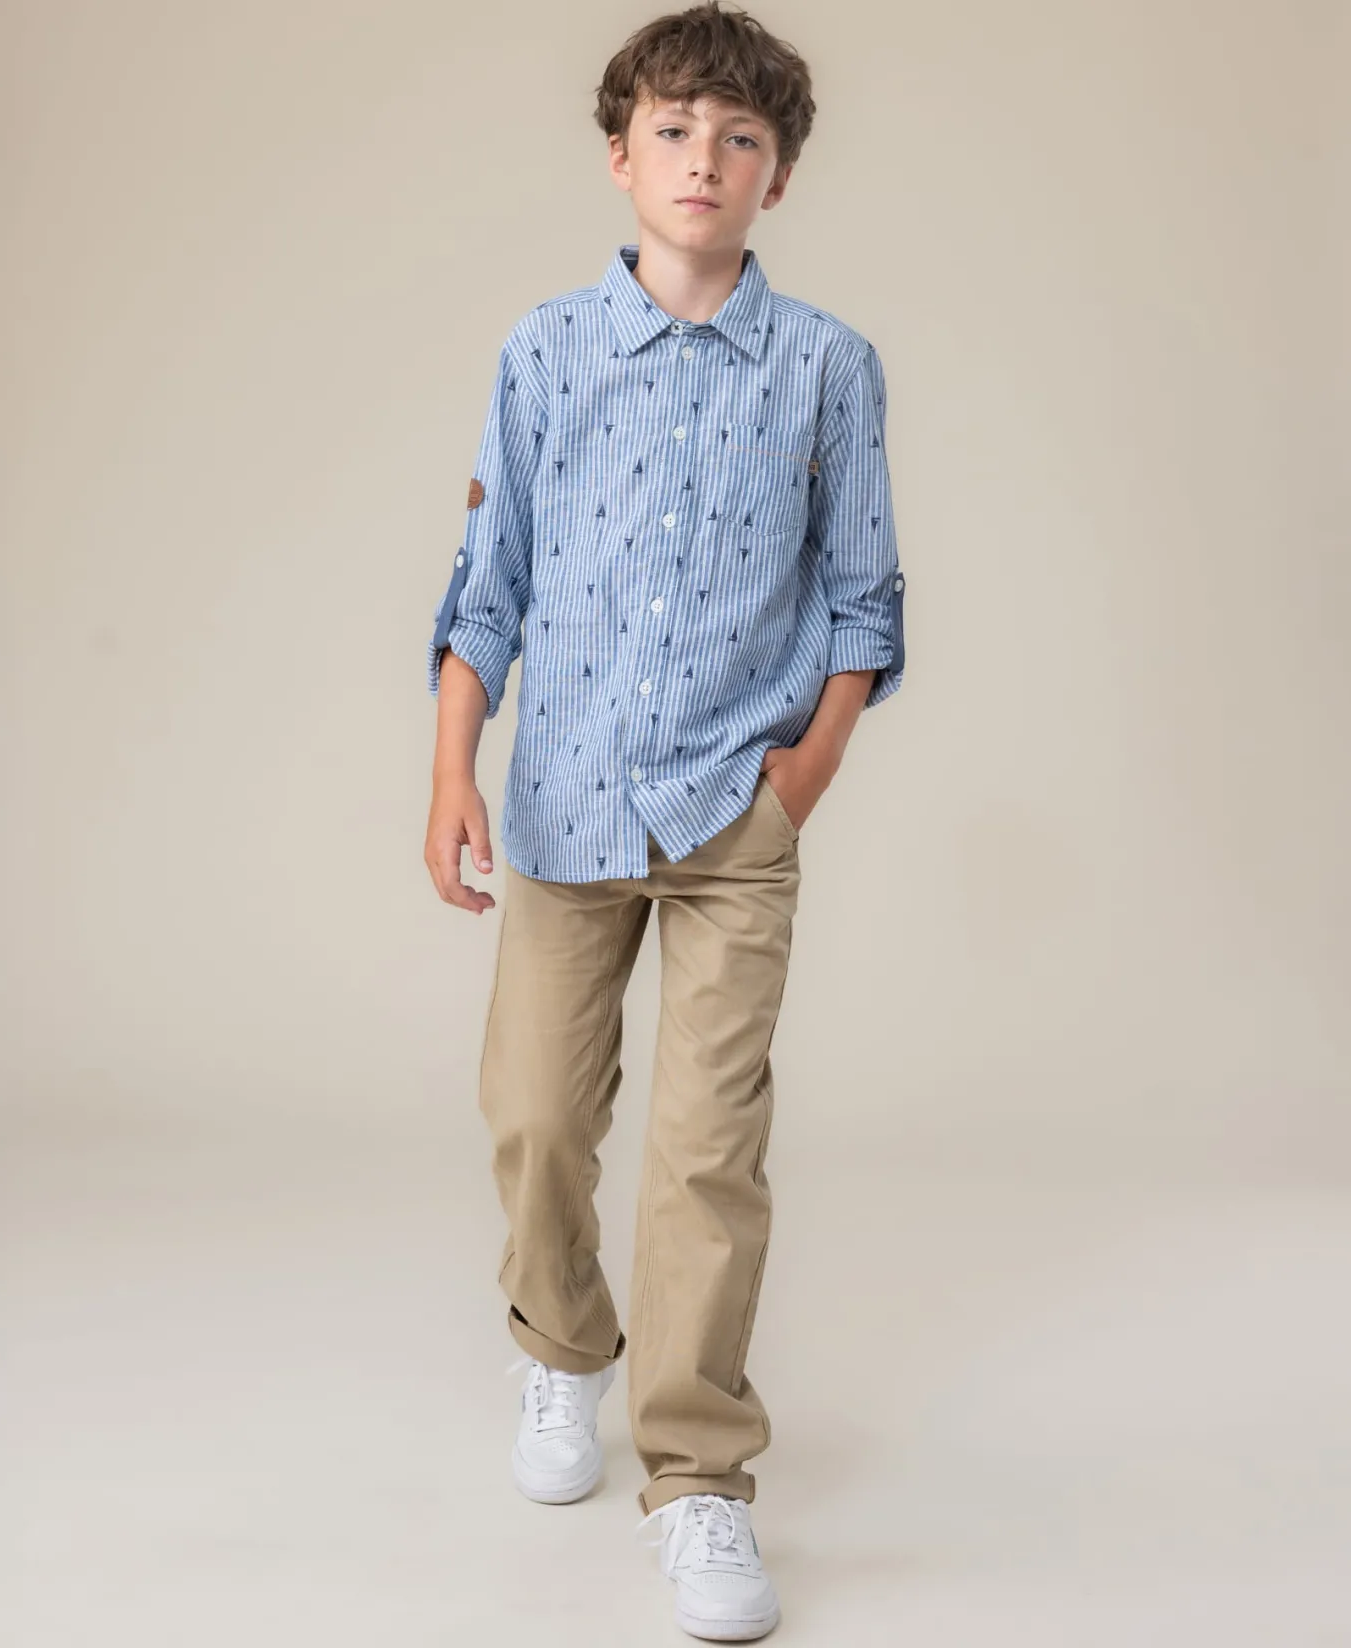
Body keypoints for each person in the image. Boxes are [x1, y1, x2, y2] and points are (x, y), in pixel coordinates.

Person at [422, 4, 905, 1637]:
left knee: (708, 1155)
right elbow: (487, 587)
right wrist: (452, 774)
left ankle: (699, 1479)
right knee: (536, 1116)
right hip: (562, 804)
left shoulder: (829, 369)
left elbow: (865, 601)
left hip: (732, 824)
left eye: (741, 138)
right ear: (621, 154)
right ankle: (562, 1348)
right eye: (678, 130)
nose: (707, 159)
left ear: (780, 176)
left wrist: (797, 785)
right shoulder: (543, 351)